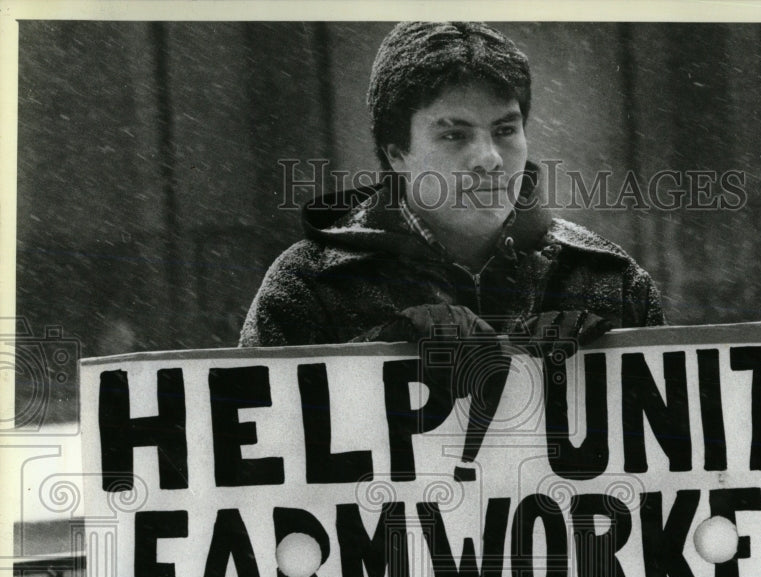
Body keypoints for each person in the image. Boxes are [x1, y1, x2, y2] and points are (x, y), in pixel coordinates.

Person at [239, 21, 664, 351]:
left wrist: (612, 368)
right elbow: (240, 451)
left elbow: (694, 453)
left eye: (504, 130)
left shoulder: (613, 283)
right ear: (396, 154)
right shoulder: (308, 287)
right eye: (454, 134)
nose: (489, 158)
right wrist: (372, 359)